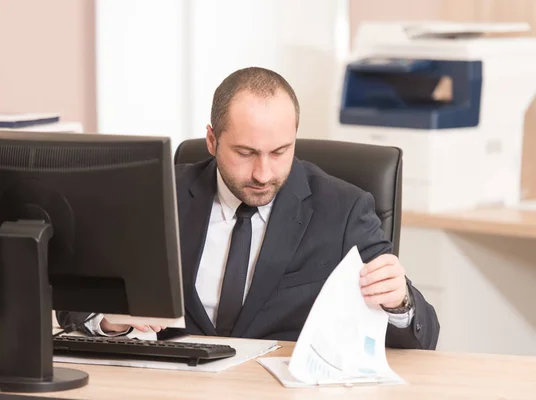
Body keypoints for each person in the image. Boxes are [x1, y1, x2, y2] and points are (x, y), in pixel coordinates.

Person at [57, 67, 439, 349]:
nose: (263, 173)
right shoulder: (160, 196)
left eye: (280, 152)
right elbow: (78, 302)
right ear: (211, 140)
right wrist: (110, 321)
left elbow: (422, 338)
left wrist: (399, 301)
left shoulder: (344, 209)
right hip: (176, 385)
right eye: (245, 153)